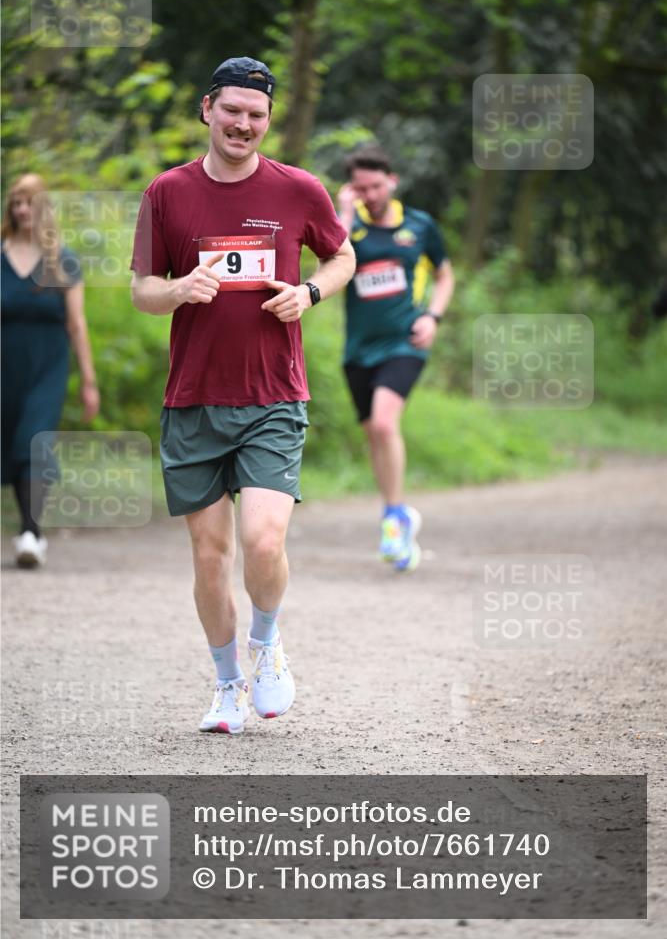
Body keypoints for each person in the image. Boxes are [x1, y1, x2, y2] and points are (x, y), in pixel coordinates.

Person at [130, 56, 355, 735]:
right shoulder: (166, 193)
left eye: (256, 115)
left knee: (261, 540)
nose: (243, 124)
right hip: (193, 398)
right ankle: (227, 686)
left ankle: (266, 640)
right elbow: (142, 288)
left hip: (271, 396)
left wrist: (309, 292)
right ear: (207, 110)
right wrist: (178, 290)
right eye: (232, 111)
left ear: (267, 120)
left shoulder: (298, 190)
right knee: (209, 555)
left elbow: (341, 256)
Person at [337, 146, 454, 572]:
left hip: (405, 342)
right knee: (374, 434)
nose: (370, 194)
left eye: (375, 185)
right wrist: (345, 215)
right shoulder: (349, 229)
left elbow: (445, 274)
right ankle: (397, 512)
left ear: (392, 180)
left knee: (386, 423)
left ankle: (393, 517)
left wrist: (433, 316)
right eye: (360, 188)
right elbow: (329, 260)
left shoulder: (420, 226)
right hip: (358, 350)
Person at [1, 173, 100, 568]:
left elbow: (77, 324)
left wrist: (88, 381)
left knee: (33, 439)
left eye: (31, 202)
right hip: (4, 365)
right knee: (10, 442)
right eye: (17, 202)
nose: (23, 209)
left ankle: (30, 532)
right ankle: (28, 528)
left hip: (48, 366)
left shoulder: (63, 259)